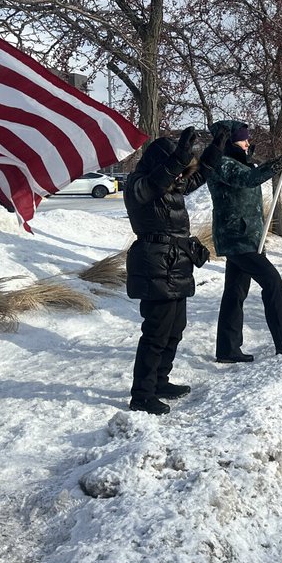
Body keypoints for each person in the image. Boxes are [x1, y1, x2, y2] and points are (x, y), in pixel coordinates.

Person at [199, 120, 282, 361]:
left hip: (248, 237)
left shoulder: (239, 162)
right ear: (230, 141)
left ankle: (228, 349)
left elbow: (250, 173)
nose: (248, 142)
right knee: (272, 281)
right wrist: (276, 165)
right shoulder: (222, 164)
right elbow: (248, 179)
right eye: (243, 138)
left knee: (235, 293)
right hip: (237, 237)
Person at [123, 128, 206, 415]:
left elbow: (195, 178)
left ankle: (160, 380)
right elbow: (157, 182)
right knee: (156, 331)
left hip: (175, 261)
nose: (181, 175)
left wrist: (214, 154)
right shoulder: (138, 185)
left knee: (175, 328)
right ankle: (142, 394)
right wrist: (177, 160)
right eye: (177, 167)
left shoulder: (173, 184)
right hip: (154, 262)